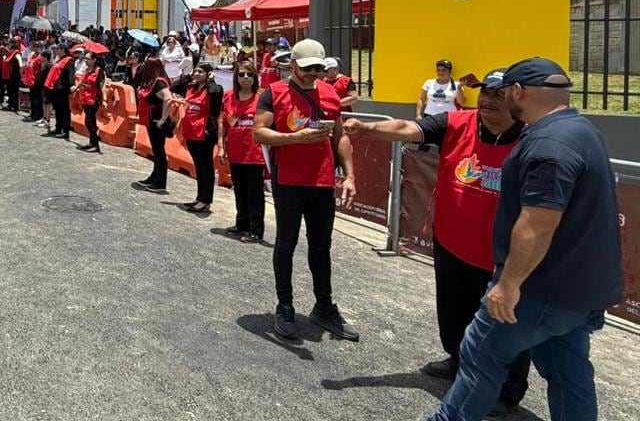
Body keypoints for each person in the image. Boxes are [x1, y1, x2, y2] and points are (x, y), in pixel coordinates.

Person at [426, 58, 623, 421]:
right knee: (569, 374)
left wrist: (509, 284)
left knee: (480, 358)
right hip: (580, 294)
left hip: (540, 290)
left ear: (518, 92)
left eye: (504, 92)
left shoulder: (548, 144)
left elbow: (537, 224)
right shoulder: (581, 129)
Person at [346, 68, 531, 417]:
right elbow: (407, 129)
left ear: (516, 98)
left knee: (505, 323)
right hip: (451, 242)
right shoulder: (456, 122)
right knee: (452, 309)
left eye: (498, 93)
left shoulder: (531, 140)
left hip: (500, 257)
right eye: (485, 93)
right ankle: (458, 360)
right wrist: (366, 127)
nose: (488, 99)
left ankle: (508, 389)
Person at [253, 38, 359, 342]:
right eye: (308, 67)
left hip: (322, 182)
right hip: (289, 181)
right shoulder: (274, 93)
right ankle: (284, 306)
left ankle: (324, 306)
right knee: (286, 244)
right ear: (294, 65)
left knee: (321, 246)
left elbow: (339, 137)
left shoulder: (330, 94)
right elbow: (259, 132)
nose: (314, 73)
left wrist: (349, 175)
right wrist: (297, 139)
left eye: (318, 67)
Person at [219, 60, 267, 243]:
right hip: (235, 150)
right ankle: (242, 222)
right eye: (241, 74)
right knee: (239, 189)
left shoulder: (262, 97)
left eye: (249, 74)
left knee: (254, 192)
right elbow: (222, 123)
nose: (245, 78)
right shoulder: (229, 96)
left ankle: (256, 229)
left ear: (255, 77)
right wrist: (221, 147)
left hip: (255, 153)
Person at [178, 63, 223, 214]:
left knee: (206, 166)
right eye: (195, 71)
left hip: (205, 132)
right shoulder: (191, 87)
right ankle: (199, 197)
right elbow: (175, 86)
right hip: (190, 131)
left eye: (200, 72)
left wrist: (210, 81)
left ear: (209, 74)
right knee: (198, 165)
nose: (197, 74)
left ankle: (206, 200)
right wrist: (189, 76)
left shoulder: (214, 89)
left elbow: (214, 92)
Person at [136, 58, 175, 192]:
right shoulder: (152, 82)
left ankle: (160, 182)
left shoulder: (159, 82)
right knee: (156, 150)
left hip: (156, 120)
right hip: (151, 119)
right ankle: (154, 177)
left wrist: (163, 119)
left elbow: (168, 99)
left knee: (159, 151)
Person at [73, 51, 106, 153]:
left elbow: (102, 86)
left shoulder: (98, 71)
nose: (86, 61)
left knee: (88, 121)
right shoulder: (87, 70)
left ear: (94, 60)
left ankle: (96, 144)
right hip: (85, 99)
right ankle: (92, 142)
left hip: (93, 99)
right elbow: (82, 82)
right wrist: (75, 90)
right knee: (91, 121)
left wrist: (104, 100)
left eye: (88, 59)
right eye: (85, 59)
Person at [43, 44, 75, 140]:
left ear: (63, 50)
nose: (55, 50)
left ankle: (65, 131)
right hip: (56, 88)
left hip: (63, 88)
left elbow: (70, 73)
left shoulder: (69, 60)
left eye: (57, 49)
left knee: (64, 110)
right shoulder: (59, 59)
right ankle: (58, 128)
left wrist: (71, 85)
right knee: (58, 110)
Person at [22, 41, 46, 125]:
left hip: (37, 80)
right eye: (35, 46)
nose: (36, 48)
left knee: (37, 99)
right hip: (30, 79)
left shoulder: (41, 57)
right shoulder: (32, 55)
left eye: (38, 46)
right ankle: (32, 113)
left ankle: (37, 115)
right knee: (32, 98)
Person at [3, 39, 22, 113]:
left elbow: (20, 61)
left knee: (14, 90)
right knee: (10, 90)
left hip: (15, 74)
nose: (8, 45)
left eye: (9, 44)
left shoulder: (16, 53)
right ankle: (10, 104)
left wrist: (21, 67)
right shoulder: (9, 53)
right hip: (10, 74)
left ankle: (15, 106)